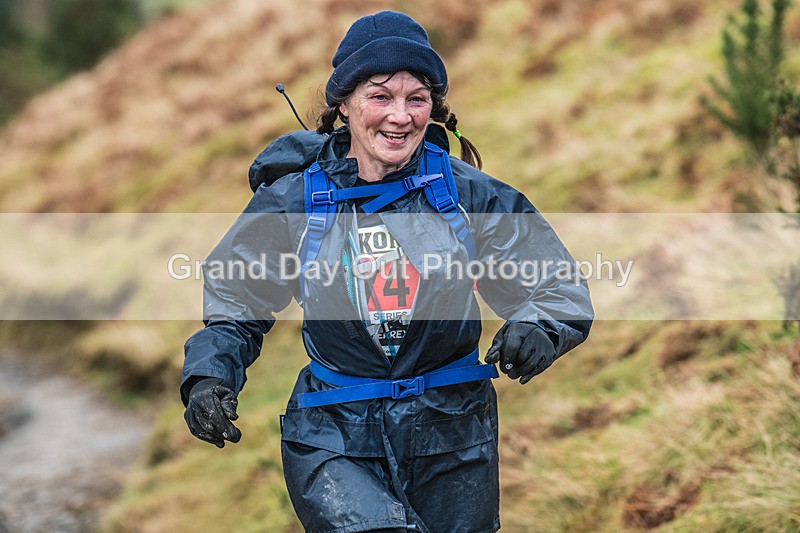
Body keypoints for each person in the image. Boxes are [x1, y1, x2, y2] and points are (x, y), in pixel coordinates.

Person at [181, 10, 593, 533]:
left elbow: (555, 285)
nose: (400, 117)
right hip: (333, 437)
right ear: (344, 103)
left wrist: (540, 327)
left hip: (454, 438)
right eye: (380, 97)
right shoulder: (293, 201)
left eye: (416, 99)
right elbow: (237, 302)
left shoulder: (468, 196)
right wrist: (209, 376)